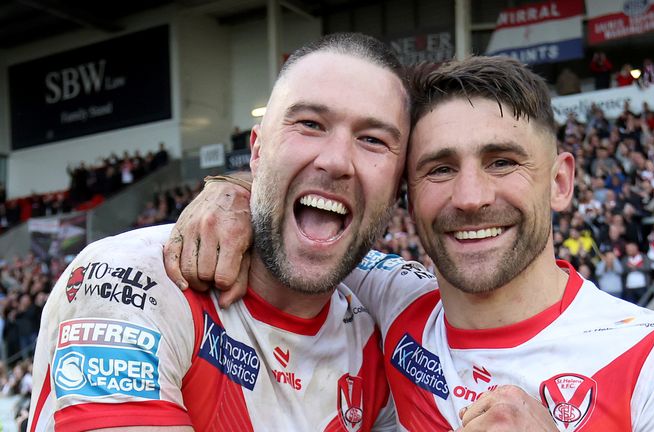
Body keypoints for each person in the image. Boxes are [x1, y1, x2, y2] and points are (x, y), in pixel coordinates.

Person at [167, 57, 654, 430]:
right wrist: (233, 192)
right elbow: (304, 199)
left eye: (502, 161)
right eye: (439, 170)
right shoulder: (394, 300)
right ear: (406, 195)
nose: (469, 196)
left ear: (560, 181)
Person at [29, 33, 414, 431]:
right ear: (257, 151)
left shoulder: (378, 336)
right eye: (310, 124)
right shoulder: (132, 278)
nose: (336, 162)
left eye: (372, 139)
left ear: (399, 185)